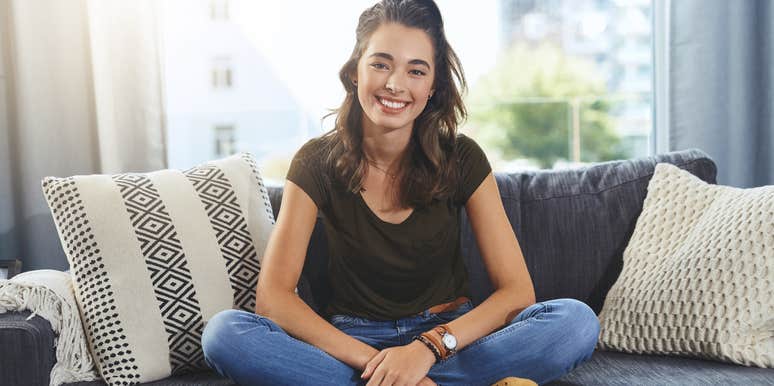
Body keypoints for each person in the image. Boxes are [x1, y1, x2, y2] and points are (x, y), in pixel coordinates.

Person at [201, 1, 599, 385]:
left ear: (432, 86)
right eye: (381, 64)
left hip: (448, 339)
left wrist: (425, 350)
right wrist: (382, 366)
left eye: (416, 71)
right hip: (352, 345)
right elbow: (274, 299)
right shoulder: (315, 162)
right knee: (225, 334)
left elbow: (516, 292)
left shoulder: (463, 157)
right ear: (356, 69)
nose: (395, 84)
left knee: (575, 322)